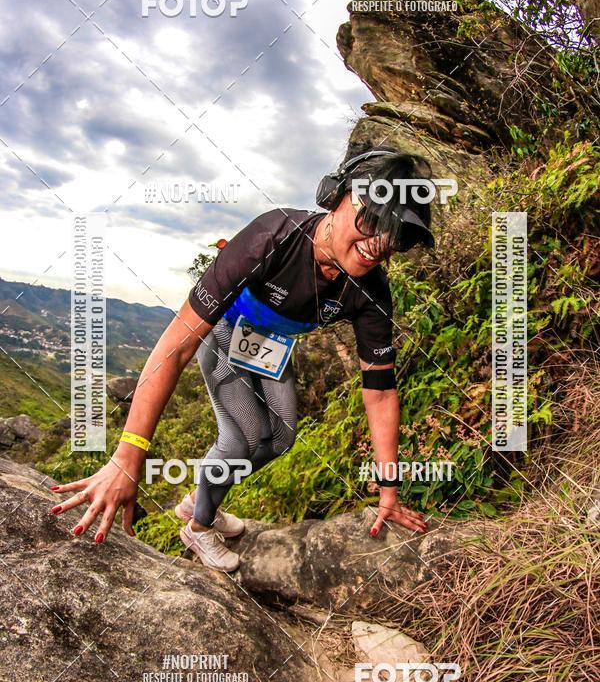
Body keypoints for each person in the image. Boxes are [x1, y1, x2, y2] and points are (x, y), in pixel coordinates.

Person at [50, 146, 434, 572]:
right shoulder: (272, 237)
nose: (377, 245)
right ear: (337, 194)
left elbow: (379, 393)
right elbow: (176, 346)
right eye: (371, 221)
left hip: (271, 345)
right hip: (224, 332)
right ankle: (198, 527)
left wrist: (388, 491)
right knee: (242, 437)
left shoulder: (370, 290)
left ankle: (202, 499)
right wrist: (128, 455)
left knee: (282, 437)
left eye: (396, 237)